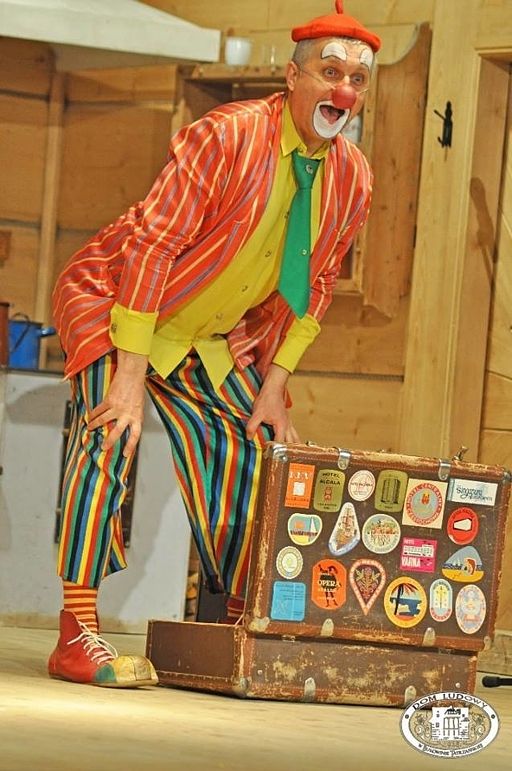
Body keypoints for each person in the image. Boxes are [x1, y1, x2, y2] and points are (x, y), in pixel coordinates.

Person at [49, 0, 381, 687]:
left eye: (358, 78)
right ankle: (76, 631)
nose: (345, 90)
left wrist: (275, 386)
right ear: (292, 77)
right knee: (111, 433)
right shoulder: (225, 136)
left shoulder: (352, 176)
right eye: (330, 73)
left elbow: (316, 284)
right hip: (117, 301)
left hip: (206, 330)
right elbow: (151, 248)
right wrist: (129, 376)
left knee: (255, 449)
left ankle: (239, 626)